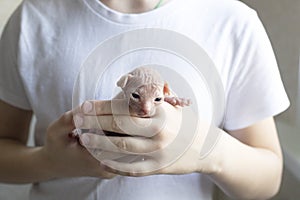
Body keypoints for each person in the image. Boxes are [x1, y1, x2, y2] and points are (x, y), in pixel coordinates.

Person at [0, 0, 290, 199]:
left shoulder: (232, 21)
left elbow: (268, 179)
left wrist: (205, 149)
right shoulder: (33, 18)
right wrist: (51, 161)